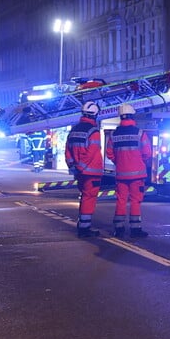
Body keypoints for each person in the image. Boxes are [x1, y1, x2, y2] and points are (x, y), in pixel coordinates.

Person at [105, 103, 152, 238]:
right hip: (137, 174)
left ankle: (119, 229)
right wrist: (139, 162)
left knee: (121, 200)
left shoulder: (114, 134)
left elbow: (110, 153)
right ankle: (135, 229)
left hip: (121, 174)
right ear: (132, 116)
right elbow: (147, 153)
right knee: (135, 200)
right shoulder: (139, 133)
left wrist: (120, 163)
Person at [65, 101, 104, 238]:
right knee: (89, 198)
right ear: (95, 115)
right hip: (91, 172)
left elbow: (68, 150)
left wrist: (73, 167)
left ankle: (82, 224)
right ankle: (84, 228)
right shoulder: (93, 131)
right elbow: (92, 152)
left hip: (79, 172)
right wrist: (81, 167)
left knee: (83, 197)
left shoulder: (74, 130)